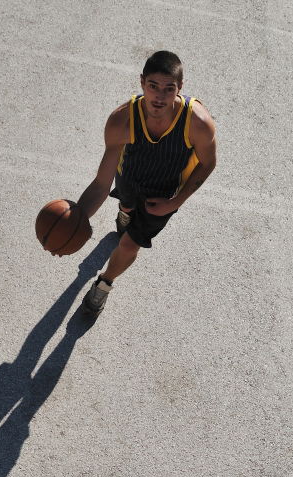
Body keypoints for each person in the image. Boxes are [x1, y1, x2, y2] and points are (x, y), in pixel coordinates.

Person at [76, 50, 217, 317]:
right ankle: (126, 212)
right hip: (129, 177)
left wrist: (175, 203)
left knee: (129, 245)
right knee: (126, 207)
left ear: (180, 88)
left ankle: (104, 284)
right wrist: (76, 217)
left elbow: (207, 163)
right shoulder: (122, 120)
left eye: (169, 88)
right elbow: (101, 184)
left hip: (163, 197)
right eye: (153, 86)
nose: (160, 97)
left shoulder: (197, 123)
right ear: (142, 83)